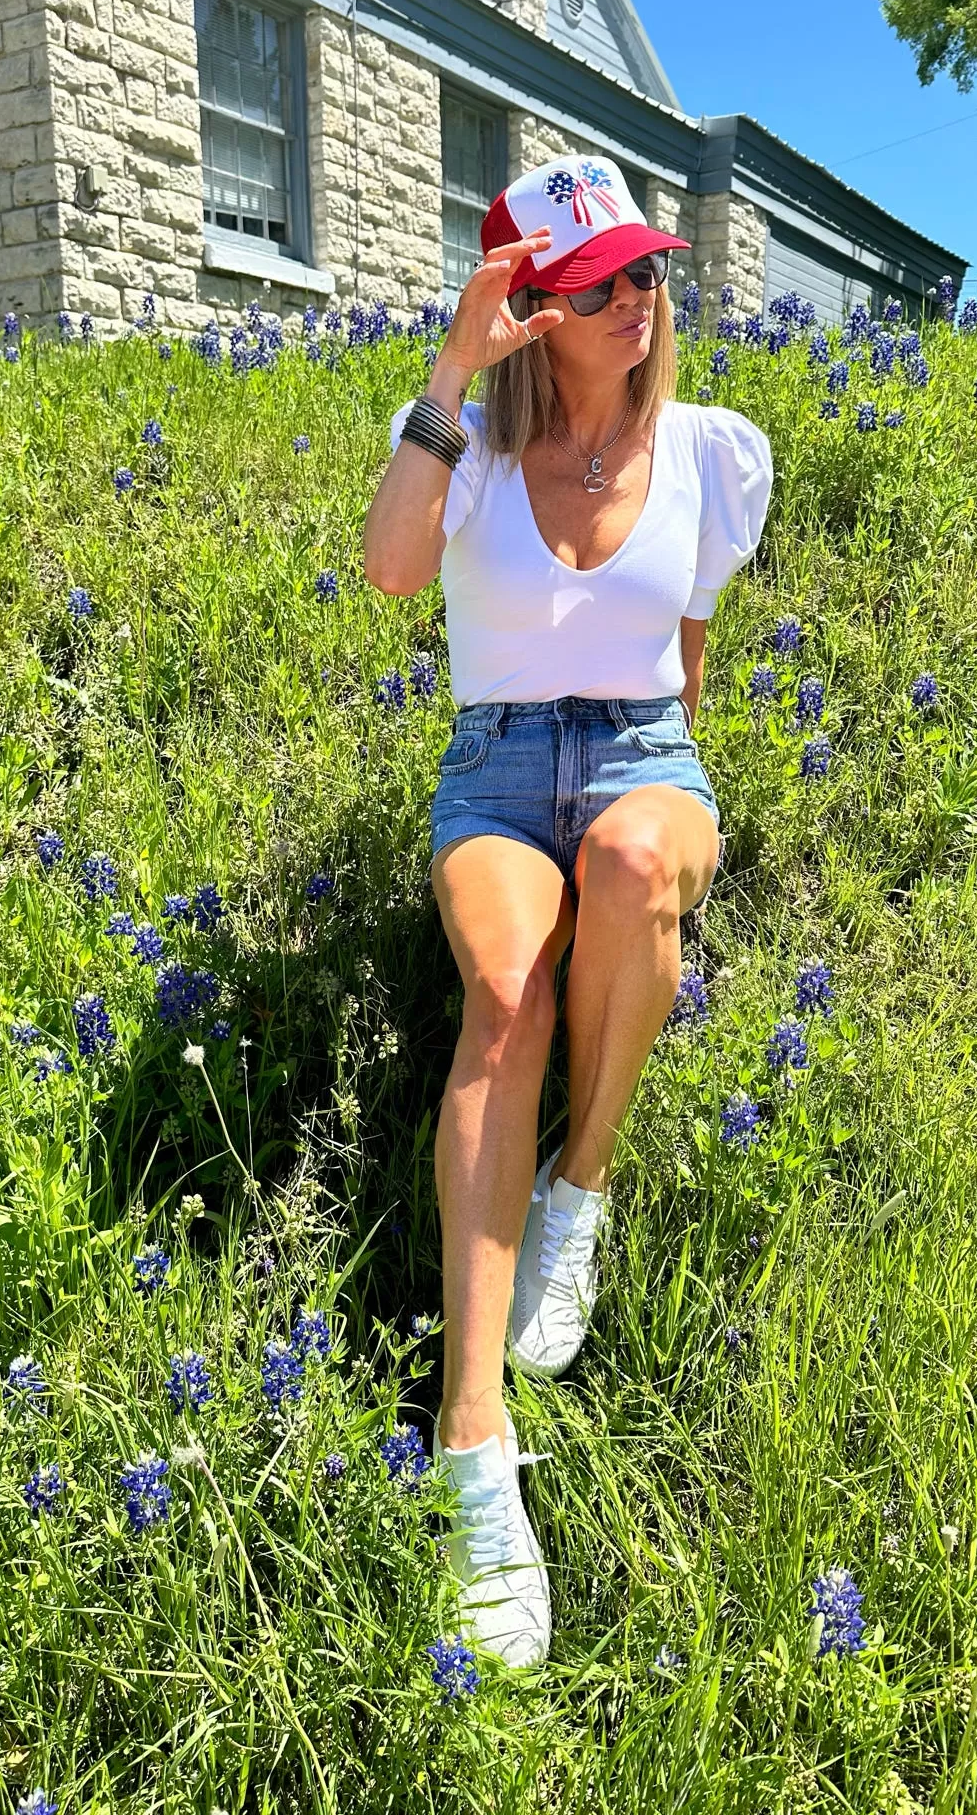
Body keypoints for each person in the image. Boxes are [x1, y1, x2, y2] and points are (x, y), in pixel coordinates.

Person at [363, 155, 773, 1669]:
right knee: (506, 994)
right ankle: (477, 1452)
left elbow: (690, 657)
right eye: (599, 283)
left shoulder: (717, 450)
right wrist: (449, 370)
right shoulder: (463, 450)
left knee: (634, 872)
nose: (640, 298)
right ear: (535, 309)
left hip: (643, 756)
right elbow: (394, 572)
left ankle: (576, 1193)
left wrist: (657, 799)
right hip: (491, 771)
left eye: (649, 271)